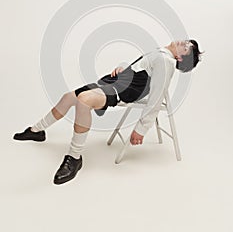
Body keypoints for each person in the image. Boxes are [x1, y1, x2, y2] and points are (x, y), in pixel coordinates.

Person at [13, 39, 202, 185]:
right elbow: (141, 68)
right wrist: (123, 66)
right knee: (67, 97)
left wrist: (141, 129)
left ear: (180, 58)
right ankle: (37, 131)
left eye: (186, 48)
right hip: (113, 82)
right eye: (186, 42)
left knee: (83, 101)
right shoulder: (160, 53)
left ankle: (74, 157)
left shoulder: (166, 61)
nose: (183, 43)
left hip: (121, 91)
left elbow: (156, 97)